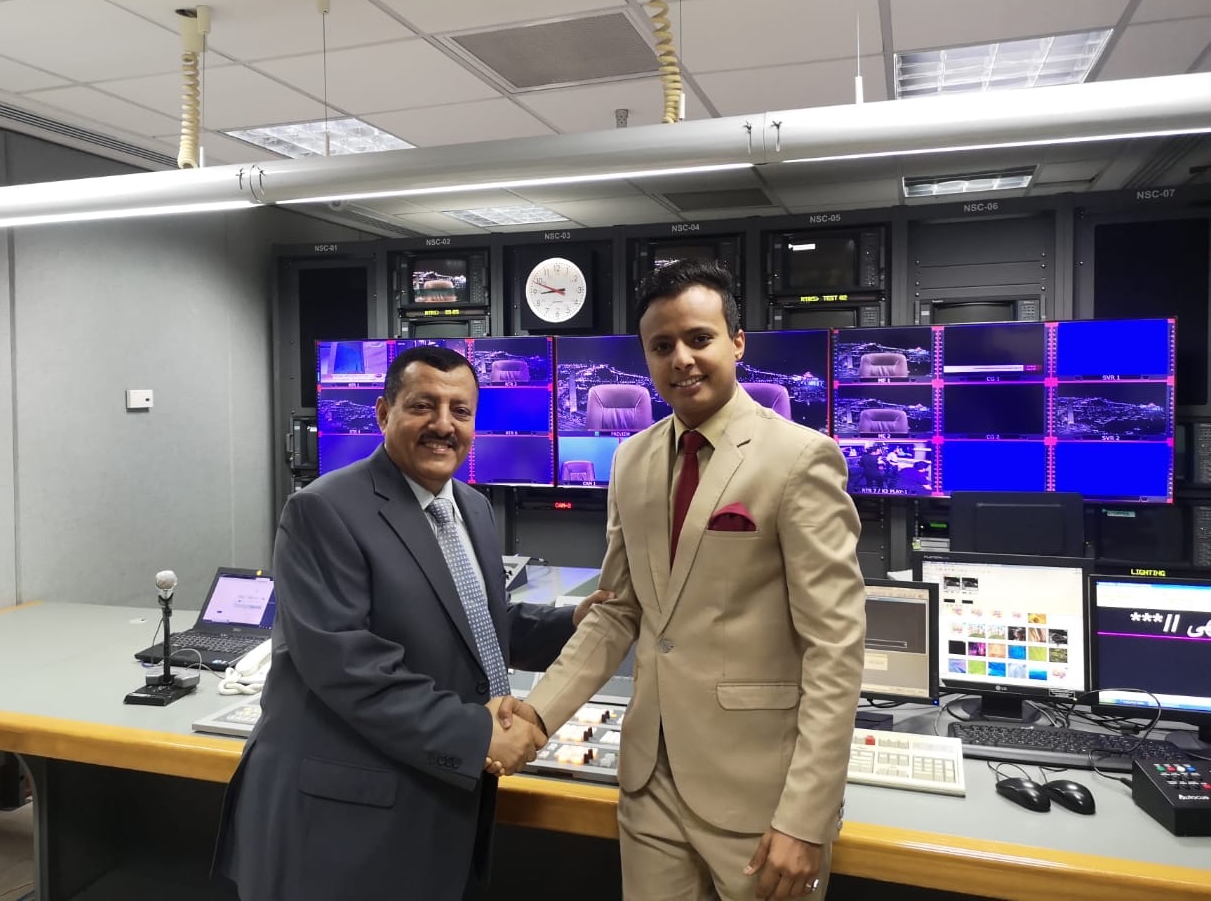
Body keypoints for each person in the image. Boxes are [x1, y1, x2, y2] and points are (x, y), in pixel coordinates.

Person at [509, 259, 866, 901]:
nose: (682, 359)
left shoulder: (800, 458)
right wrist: (537, 713)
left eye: (699, 338)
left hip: (759, 796)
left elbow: (834, 648)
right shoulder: (631, 459)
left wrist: (806, 815)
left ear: (737, 341)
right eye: (662, 345)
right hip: (649, 784)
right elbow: (619, 611)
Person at [215, 345, 608, 901]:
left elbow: (477, 622)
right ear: (384, 413)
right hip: (343, 823)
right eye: (423, 406)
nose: (443, 425)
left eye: (460, 411)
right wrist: (479, 735)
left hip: (434, 803)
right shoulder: (323, 509)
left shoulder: (471, 506)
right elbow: (347, 664)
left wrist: (573, 622)